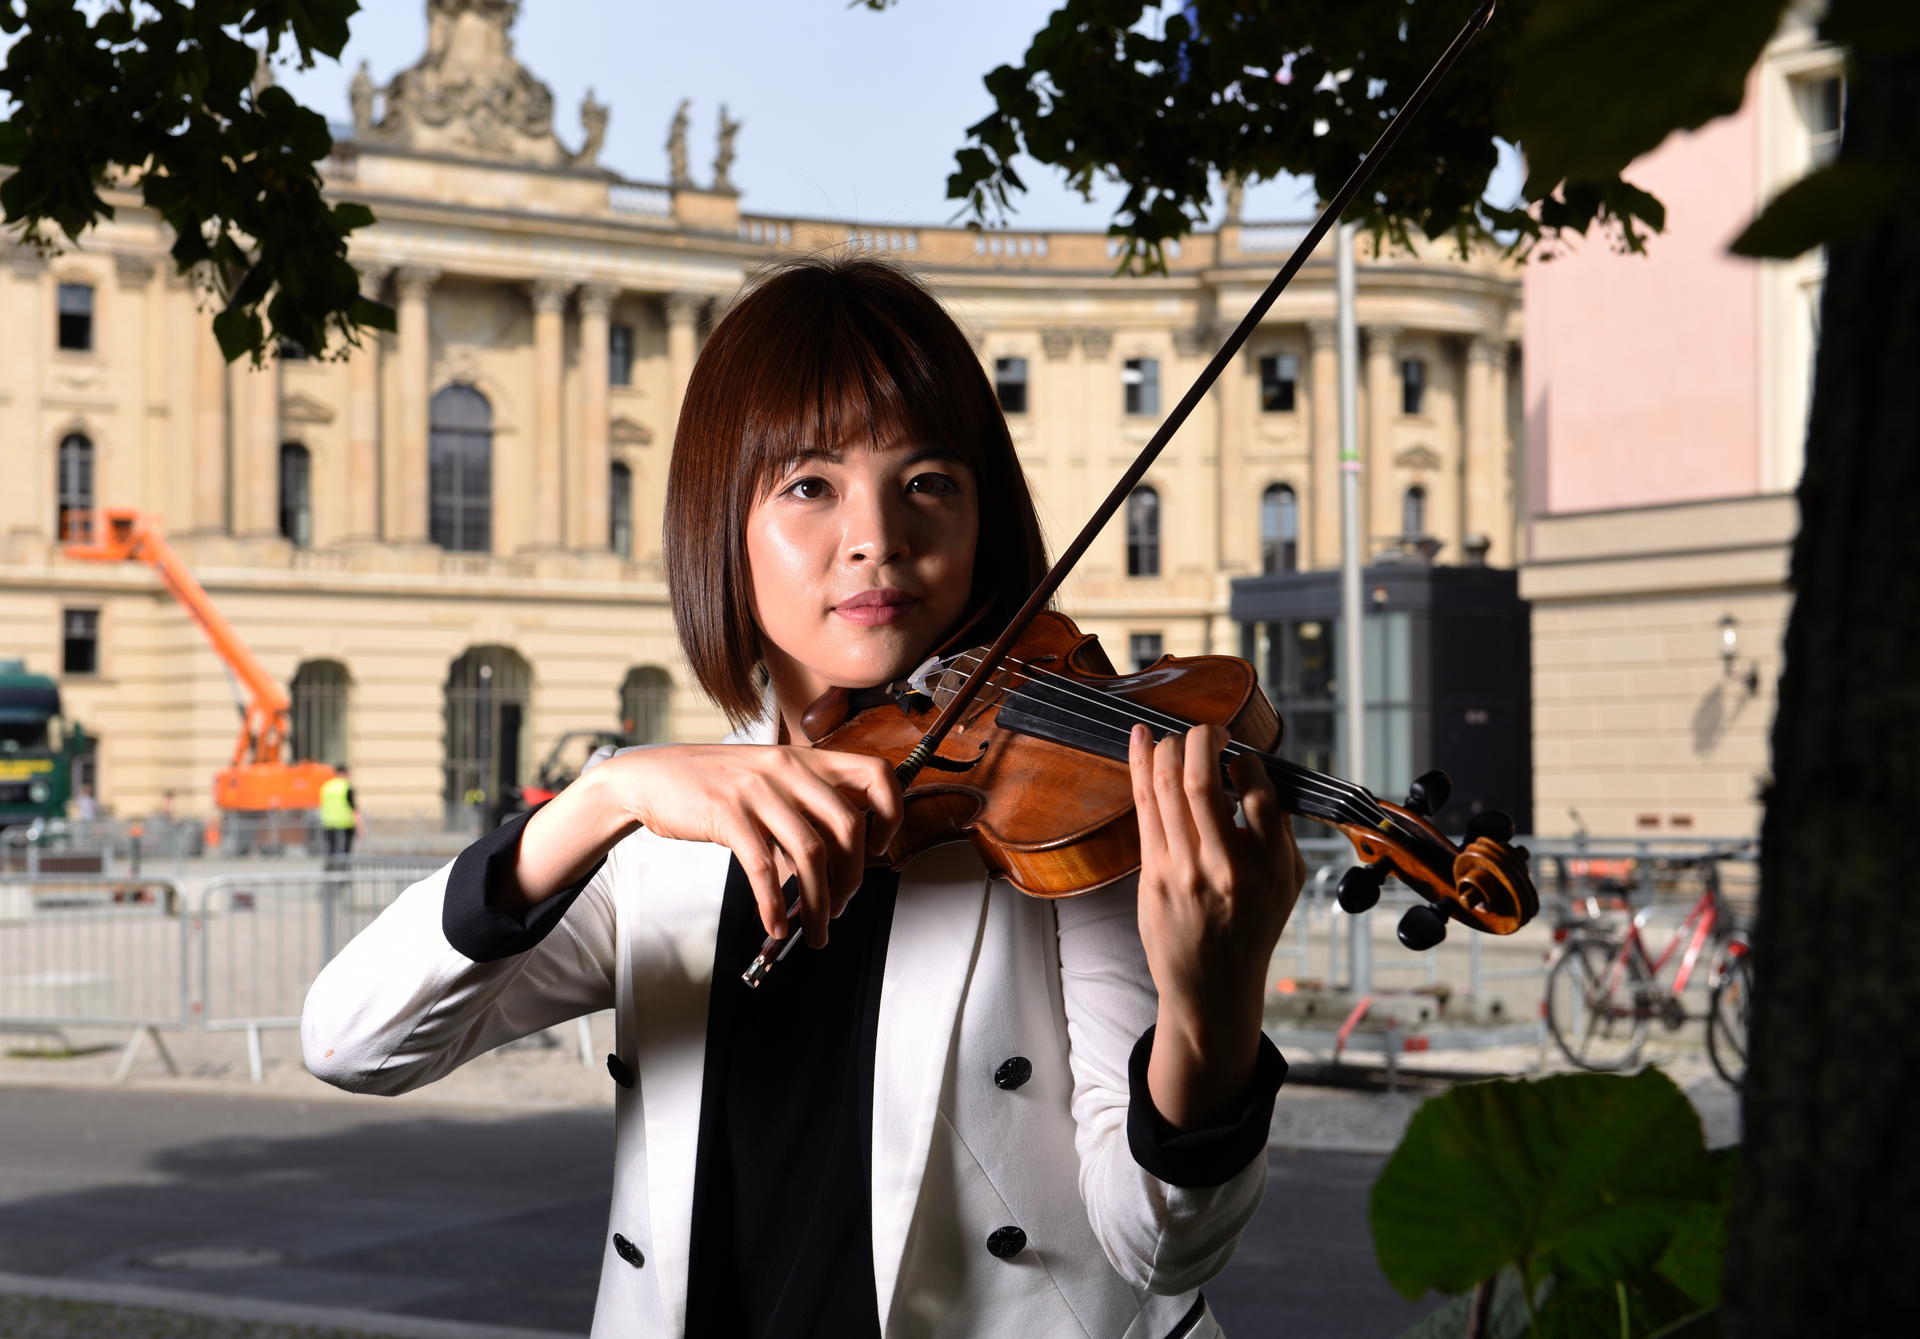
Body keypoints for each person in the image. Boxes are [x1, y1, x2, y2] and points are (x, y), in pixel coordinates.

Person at [303, 256, 1307, 1339]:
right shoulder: (664, 836)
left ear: (984, 522)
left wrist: (1212, 1005)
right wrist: (601, 797)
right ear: (719, 523)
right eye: (809, 485)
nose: (877, 535)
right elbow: (355, 1041)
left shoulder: (1059, 816)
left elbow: (1163, 1246)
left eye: (928, 481)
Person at [318, 765, 358, 860]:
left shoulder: (326, 786)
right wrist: (359, 825)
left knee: (331, 849)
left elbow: (322, 804)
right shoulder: (346, 786)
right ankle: (344, 869)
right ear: (344, 773)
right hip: (345, 823)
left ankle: (331, 869)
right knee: (345, 850)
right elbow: (354, 807)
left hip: (328, 822)